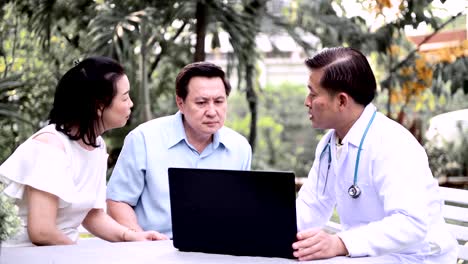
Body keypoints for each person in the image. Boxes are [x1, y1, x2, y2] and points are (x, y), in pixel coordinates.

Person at [294, 47, 458, 263]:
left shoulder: (392, 143)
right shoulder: (329, 144)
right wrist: (269, 230)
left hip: (415, 257)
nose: (307, 101)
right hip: (365, 255)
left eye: (313, 94)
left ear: (342, 101)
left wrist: (340, 243)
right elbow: (312, 206)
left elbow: (411, 223)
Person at [0, 56, 164, 247]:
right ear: (99, 106)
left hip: (60, 252)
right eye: (125, 97)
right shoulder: (50, 147)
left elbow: (92, 214)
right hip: (23, 253)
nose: (131, 104)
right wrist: (80, 256)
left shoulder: (97, 145)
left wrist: (132, 236)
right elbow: (42, 232)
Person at [106, 61, 252, 238]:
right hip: (155, 249)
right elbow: (118, 200)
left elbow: (241, 208)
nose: (212, 111)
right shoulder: (143, 139)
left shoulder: (240, 147)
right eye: (201, 102)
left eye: (219, 101)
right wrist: (140, 239)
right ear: (180, 102)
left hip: (217, 250)